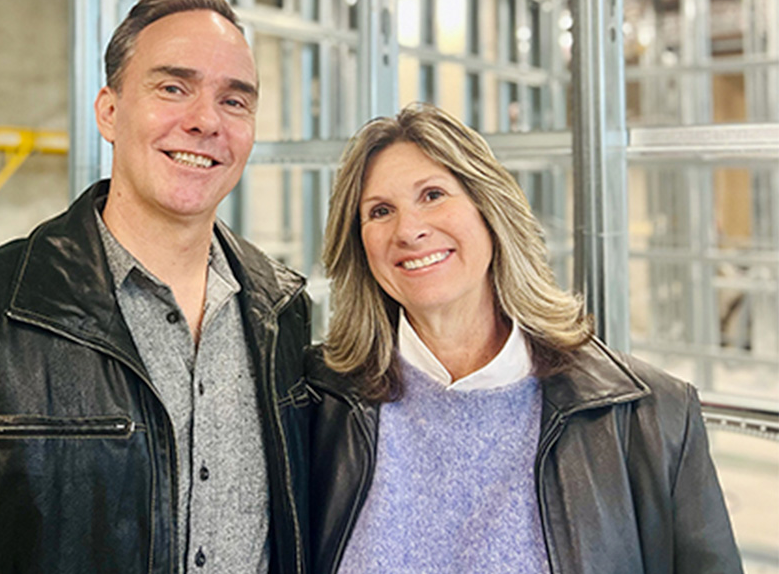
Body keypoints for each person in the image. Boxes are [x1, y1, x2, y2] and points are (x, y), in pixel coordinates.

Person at [0, 0, 312, 574]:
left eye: (235, 101)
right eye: (173, 88)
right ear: (110, 112)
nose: (204, 121)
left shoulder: (283, 311)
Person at [306, 102, 742, 574]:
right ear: (359, 243)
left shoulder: (650, 419)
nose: (409, 230)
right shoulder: (315, 403)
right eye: (380, 211)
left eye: (432, 195)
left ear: (490, 212)